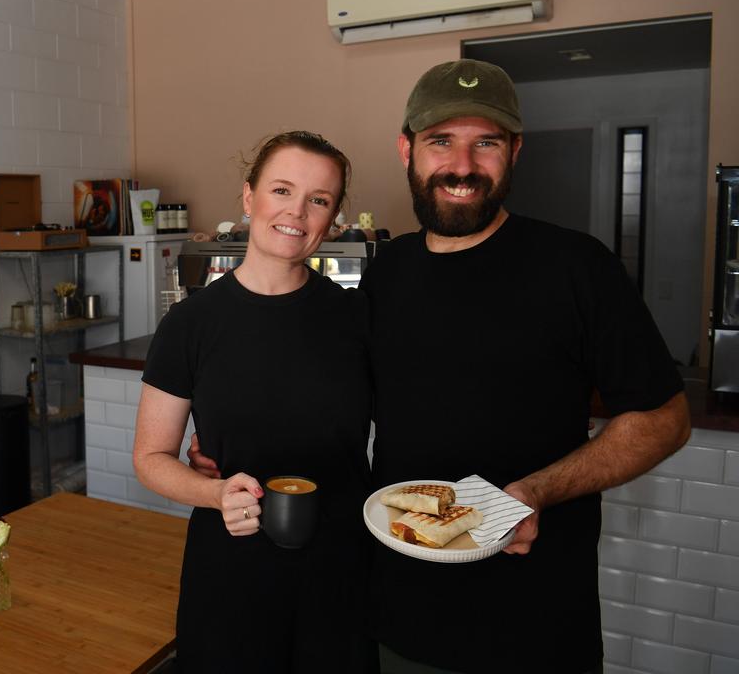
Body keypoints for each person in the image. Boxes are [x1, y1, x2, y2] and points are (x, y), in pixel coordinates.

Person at [190, 60, 690, 673]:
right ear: (408, 149)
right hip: (398, 616)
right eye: (440, 142)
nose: (462, 166)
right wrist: (238, 436)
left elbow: (665, 419)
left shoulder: (577, 268)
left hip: (535, 624)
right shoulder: (389, 272)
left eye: (486, 143)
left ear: (515, 151)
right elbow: (342, 395)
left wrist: (534, 492)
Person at [133, 131, 377, 672]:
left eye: (319, 200)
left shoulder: (357, 320)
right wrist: (214, 491)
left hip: (339, 573)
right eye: (282, 190)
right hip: (229, 571)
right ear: (249, 198)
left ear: (334, 219)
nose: (297, 212)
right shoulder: (189, 325)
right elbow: (150, 459)